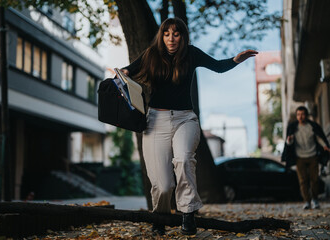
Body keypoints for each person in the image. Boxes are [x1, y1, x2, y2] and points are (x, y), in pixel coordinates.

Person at [121, 17, 257, 235]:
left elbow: (218, 66)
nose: (171, 38)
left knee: (184, 160)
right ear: (161, 36)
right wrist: (122, 74)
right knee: (163, 184)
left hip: (185, 119)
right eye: (166, 34)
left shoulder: (191, 54)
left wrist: (235, 60)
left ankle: (187, 214)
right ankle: (160, 216)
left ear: (182, 36)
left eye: (176, 34)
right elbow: (128, 71)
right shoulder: (151, 55)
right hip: (156, 121)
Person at [282, 106, 330, 210]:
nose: (300, 117)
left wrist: (325, 146)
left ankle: (315, 200)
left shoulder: (312, 126)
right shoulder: (293, 127)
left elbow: (318, 137)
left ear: (306, 115)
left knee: (315, 180)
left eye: (303, 114)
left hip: (313, 156)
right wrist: (289, 140)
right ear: (296, 116)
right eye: (298, 114)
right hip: (300, 157)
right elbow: (289, 143)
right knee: (303, 181)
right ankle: (307, 201)